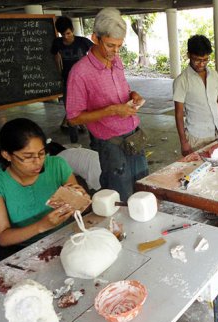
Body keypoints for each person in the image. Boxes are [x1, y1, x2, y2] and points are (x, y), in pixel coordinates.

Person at [0, 118, 89, 267]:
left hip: (60, 236)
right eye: (27, 157)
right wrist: (41, 226)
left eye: (42, 153)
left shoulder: (57, 165)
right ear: (7, 155)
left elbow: (79, 206)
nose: (38, 162)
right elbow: (3, 237)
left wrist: (79, 198)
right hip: (19, 246)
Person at [66, 8, 148, 201]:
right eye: (111, 45)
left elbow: (122, 89)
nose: (116, 52)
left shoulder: (116, 61)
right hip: (111, 145)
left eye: (120, 46)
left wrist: (132, 94)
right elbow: (73, 117)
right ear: (95, 38)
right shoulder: (80, 73)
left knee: (144, 191)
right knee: (122, 198)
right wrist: (111, 110)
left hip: (134, 137)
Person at [173, 35, 218, 156]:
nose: (201, 64)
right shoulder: (181, 81)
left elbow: (215, 101)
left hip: (217, 132)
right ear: (189, 55)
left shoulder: (213, 75)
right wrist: (183, 142)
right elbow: (178, 114)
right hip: (197, 137)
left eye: (205, 60)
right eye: (197, 60)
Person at [51, 16, 94, 143]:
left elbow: (95, 54)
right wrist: (59, 72)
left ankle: (94, 140)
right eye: (62, 34)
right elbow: (56, 57)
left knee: (90, 109)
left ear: (73, 30)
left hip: (85, 81)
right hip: (67, 81)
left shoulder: (83, 42)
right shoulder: (57, 43)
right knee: (70, 111)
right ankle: (74, 142)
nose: (65, 37)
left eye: (68, 33)